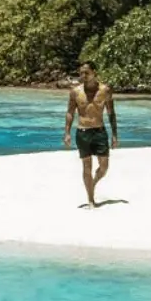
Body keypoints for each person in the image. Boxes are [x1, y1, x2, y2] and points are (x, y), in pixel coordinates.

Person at [63, 62, 118, 207]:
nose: (83, 76)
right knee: (86, 167)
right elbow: (70, 112)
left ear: (94, 72)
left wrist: (114, 135)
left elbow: (111, 113)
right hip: (82, 132)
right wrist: (67, 133)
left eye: (86, 73)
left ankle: (92, 184)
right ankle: (90, 199)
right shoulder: (75, 92)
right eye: (81, 73)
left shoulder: (105, 90)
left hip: (100, 131)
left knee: (104, 167)